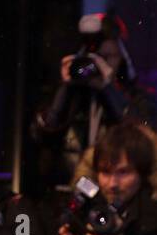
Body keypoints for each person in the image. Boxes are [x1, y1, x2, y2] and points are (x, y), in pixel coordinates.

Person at [30, 12, 157, 191]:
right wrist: (64, 88)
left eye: (108, 57)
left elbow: (145, 138)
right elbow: (40, 134)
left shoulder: (138, 97)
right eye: (94, 57)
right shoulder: (71, 94)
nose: (97, 63)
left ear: (123, 57)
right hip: (68, 193)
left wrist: (108, 88)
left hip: (117, 192)